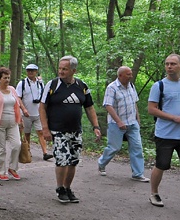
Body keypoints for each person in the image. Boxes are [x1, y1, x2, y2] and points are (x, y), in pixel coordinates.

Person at [39, 56, 102, 203]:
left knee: (73, 160)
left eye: (64, 69)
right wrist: (45, 129)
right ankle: (60, 187)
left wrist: (96, 126)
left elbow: (89, 107)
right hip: (58, 130)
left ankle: (67, 188)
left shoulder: (81, 86)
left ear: (73, 70)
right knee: (62, 159)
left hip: (75, 130)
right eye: (60, 68)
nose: (61, 71)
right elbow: (42, 107)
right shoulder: (52, 84)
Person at [147, 54, 180, 208]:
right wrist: (173, 118)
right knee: (161, 165)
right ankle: (154, 193)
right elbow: (151, 109)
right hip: (165, 134)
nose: (169, 67)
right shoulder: (159, 86)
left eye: (173, 64)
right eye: (167, 64)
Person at [97, 65, 147, 182]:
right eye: (128, 74)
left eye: (131, 74)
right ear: (120, 75)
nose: (131, 76)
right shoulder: (112, 88)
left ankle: (138, 174)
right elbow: (108, 106)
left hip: (132, 123)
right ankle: (101, 163)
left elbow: (134, 103)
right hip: (116, 123)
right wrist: (119, 122)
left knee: (137, 147)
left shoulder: (131, 86)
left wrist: (137, 119)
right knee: (114, 147)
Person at [0, 67, 28, 180]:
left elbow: (17, 105)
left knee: (16, 145)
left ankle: (12, 168)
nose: (7, 80)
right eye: (5, 78)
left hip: (13, 122)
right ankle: (1, 171)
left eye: (8, 77)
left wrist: (21, 120)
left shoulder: (12, 89)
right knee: (1, 149)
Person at [16, 64, 51, 161]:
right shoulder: (22, 83)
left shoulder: (40, 83)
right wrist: (23, 109)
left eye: (32, 70)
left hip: (38, 113)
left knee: (41, 132)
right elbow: (18, 97)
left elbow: (44, 96)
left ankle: (45, 153)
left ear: (36, 72)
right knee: (27, 133)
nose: (30, 72)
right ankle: (27, 151)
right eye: (28, 70)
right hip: (26, 114)